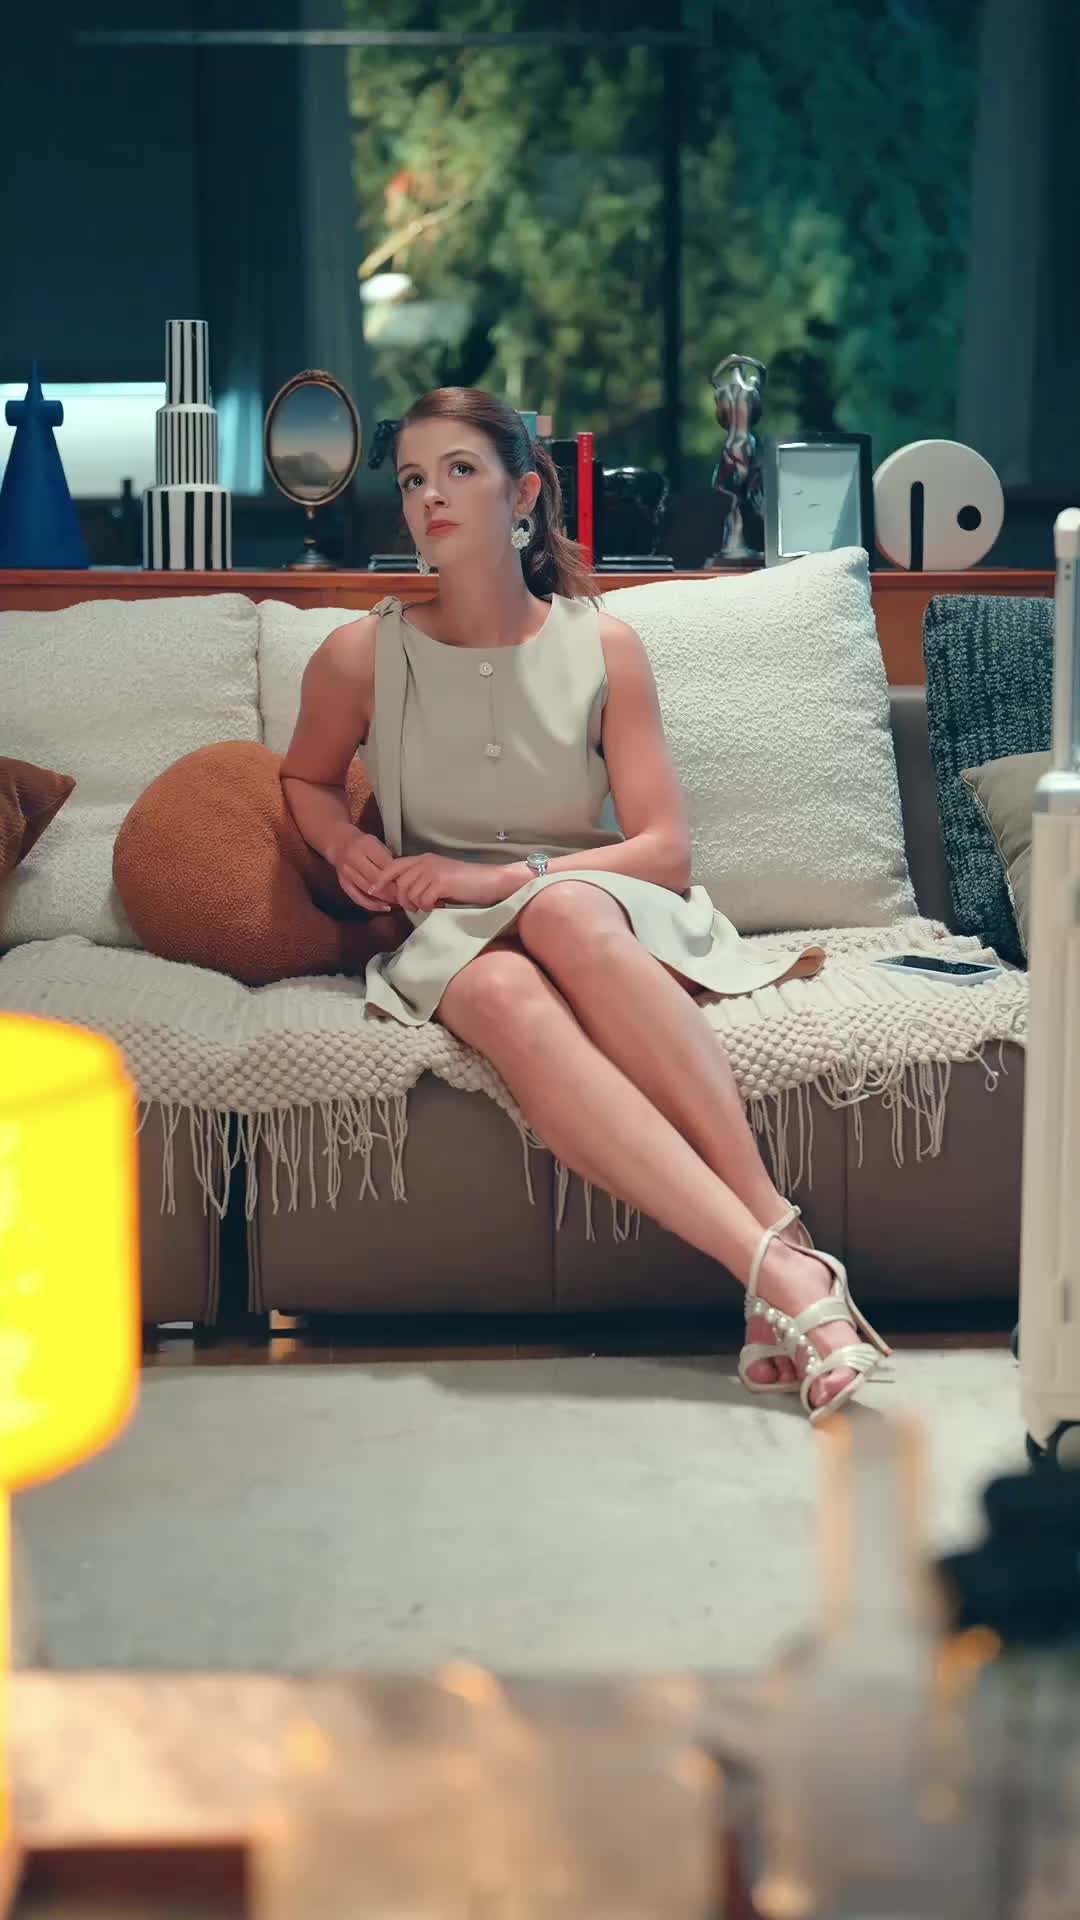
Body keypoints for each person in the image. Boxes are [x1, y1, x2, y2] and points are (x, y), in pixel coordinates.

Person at [281, 386, 891, 1423]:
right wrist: (347, 847)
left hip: (593, 897)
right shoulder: (359, 655)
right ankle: (785, 1270)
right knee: (500, 995)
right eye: (414, 479)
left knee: (562, 912)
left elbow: (663, 850)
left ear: (524, 494)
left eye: (460, 471)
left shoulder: (604, 644)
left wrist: (500, 879)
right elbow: (302, 780)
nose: (430, 497)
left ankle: (775, 1248)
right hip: (453, 932)